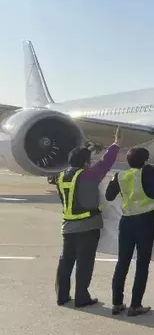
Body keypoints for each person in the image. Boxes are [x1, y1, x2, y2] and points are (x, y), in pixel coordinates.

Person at [105, 140, 154, 316]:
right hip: (145, 222)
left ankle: (117, 303)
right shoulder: (148, 171)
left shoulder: (120, 176)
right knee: (142, 264)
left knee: (123, 262)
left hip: (126, 222)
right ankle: (135, 305)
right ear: (145, 161)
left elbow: (109, 196)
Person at [55, 128, 122, 307]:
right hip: (87, 225)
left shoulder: (61, 176)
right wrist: (116, 144)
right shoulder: (87, 175)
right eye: (89, 161)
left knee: (66, 261)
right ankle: (81, 297)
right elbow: (105, 163)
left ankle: (62, 295)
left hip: (67, 225)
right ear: (85, 162)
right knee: (84, 263)